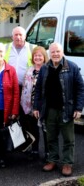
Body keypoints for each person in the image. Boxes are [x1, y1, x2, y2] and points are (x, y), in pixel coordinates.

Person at [33, 42, 84, 176]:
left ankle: (67, 163)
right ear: (49, 53)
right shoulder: (45, 68)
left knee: (68, 139)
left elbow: (80, 88)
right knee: (51, 137)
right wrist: (36, 107)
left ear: (62, 52)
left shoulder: (71, 67)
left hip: (66, 109)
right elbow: (38, 89)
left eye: (58, 51)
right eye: (53, 52)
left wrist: (78, 108)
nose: (55, 54)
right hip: (49, 109)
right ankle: (52, 160)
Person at [20, 46, 49, 160]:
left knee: (45, 129)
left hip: (43, 106)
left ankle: (47, 152)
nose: (37, 57)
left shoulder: (48, 69)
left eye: (40, 55)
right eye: (35, 55)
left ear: (44, 57)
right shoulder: (29, 70)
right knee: (33, 129)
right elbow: (24, 87)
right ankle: (35, 149)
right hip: (30, 106)